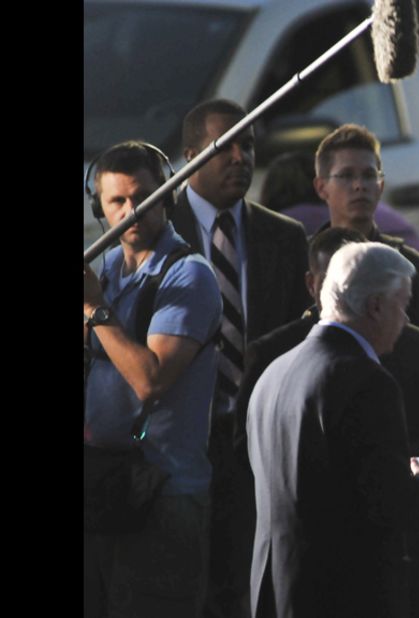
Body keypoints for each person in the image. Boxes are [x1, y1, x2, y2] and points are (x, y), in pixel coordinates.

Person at [232, 227, 419, 618]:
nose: (406, 317)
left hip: (278, 588)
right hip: (343, 592)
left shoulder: (275, 370)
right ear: (376, 306)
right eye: (402, 304)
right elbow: (387, 500)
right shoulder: (364, 380)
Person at [171, 98, 311, 618]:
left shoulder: (284, 236)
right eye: (223, 146)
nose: (239, 157)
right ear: (188, 156)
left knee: (249, 589)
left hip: (258, 443)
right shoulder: (159, 231)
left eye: (247, 144)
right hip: (177, 447)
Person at [84, 141, 222, 617]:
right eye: (117, 202)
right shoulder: (107, 273)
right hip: (105, 487)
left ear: (166, 195)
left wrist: (93, 310)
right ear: (99, 207)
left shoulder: (188, 276)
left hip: (164, 495)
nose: (131, 212)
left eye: (142, 196)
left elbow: (151, 381)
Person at [312, 123, 419, 374]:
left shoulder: (410, 267)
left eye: (369, 175)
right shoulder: (302, 260)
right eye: (346, 176)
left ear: (381, 186)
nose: (359, 185)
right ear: (321, 187)